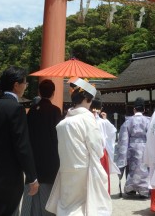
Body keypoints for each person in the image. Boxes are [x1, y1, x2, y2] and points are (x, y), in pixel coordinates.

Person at [0, 66, 39, 216]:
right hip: (9, 176)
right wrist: (32, 177)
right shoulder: (16, 109)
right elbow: (22, 146)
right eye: (25, 83)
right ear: (16, 85)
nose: (25, 86)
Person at [46, 77, 112, 216]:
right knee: (82, 207)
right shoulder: (87, 118)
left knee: (67, 205)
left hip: (66, 168)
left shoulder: (64, 122)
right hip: (83, 170)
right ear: (87, 99)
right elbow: (97, 148)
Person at [20, 79, 63, 216]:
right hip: (50, 161)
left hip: (32, 160)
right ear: (53, 93)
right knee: (47, 200)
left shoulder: (32, 111)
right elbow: (58, 137)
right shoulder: (55, 111)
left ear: (39, 92)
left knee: (30, 199)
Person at [116, 97, 150, 198]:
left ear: (134, 109)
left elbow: (123, 139)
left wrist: (122, 154)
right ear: (144, 110)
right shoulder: (149, 121)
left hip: (132, 148)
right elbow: (152, 137)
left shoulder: (128, 122)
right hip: (145, 147)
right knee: (144, 168)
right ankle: (144, 191)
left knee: (132, 168)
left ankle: (131, 190)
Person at [90, 95, 120, 194]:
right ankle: (104, 195)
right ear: (100, 109)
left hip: (90, 153)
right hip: (102, 153)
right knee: (103, 175)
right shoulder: (103, 122)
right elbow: (112, 132)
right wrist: (106, 119)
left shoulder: (87, 121)